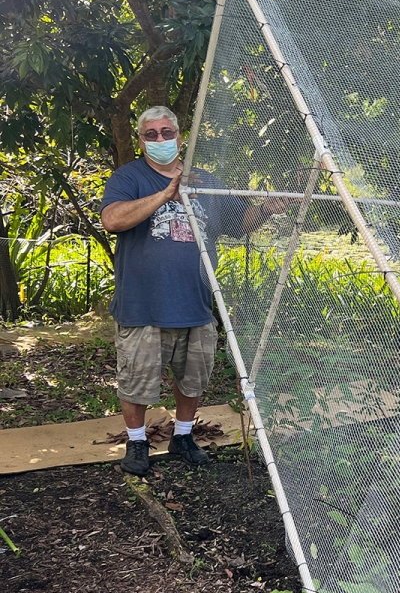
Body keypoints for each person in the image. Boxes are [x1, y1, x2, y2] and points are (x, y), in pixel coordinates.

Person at [101, 106, 287, 477]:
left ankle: (183, 437)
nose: (159, 140)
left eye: (166, 132)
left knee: (193, 378)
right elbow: (112, 219)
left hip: (196, 302)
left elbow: (239, 222)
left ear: (180, 136)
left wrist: (267, 208)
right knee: (136, 379)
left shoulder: (206, 180)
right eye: (150, 134)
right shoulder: (129, 177)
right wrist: (165, 194)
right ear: (140, 141)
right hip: (143, 306)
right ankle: (137, 442)